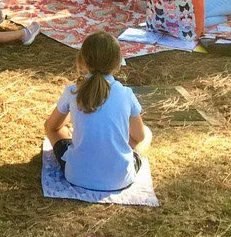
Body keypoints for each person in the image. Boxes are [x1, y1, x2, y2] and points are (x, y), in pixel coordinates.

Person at [43, 32, 152, 192]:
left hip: (76, 175)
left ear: (82, 60)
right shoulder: (126, 93)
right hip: (120, 179)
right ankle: (112, 156)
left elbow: (51, 127)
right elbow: (139, 137)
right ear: (117, 64)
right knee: (146, 134)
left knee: (59, 130)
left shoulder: (73, 91)